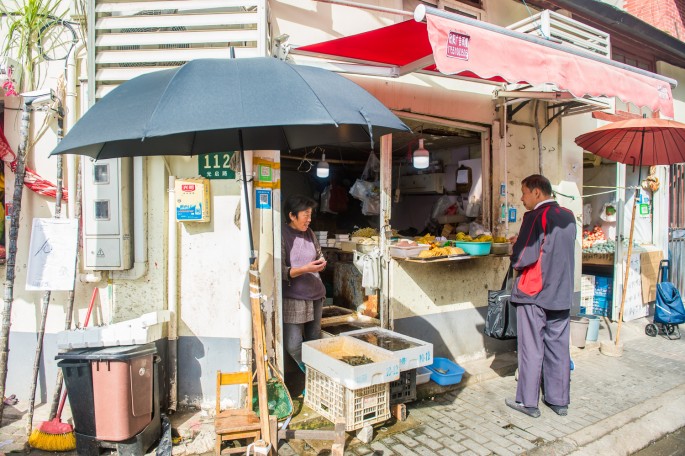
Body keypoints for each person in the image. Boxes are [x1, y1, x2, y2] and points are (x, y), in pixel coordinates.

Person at [506, 174, 576, 418]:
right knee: (558, 347)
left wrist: (515, 248)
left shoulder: (535, 216)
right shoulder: (568, 215)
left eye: (524, 192)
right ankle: (558, 401)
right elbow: (554, 248)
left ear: (537, 193)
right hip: (562, 293)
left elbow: (525, 256)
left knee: (531, 348)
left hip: (534, 293)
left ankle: (528, 402)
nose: (522, 198)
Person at [281, 195, 327, 391]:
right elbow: (281, 271)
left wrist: (321, 263)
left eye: (310, 215)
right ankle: (308, 373)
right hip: (294, 297)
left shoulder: (310, 233)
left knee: (314, 339)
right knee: (293, 344)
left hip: (316, 293)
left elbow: (319, 253)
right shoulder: (282, 235)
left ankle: (316, 382)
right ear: (292, 215)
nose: (309, 219)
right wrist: (305, 269)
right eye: (305, 215)